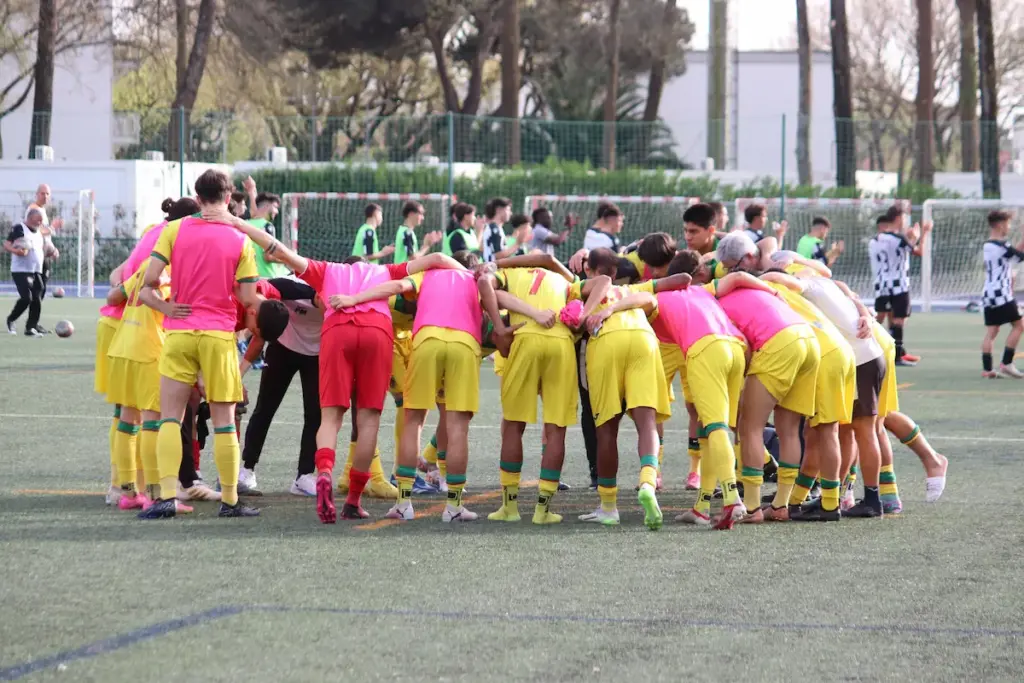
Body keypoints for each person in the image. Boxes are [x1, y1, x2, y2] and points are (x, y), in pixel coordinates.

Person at [138, 169, 289, 519]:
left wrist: (166, 306)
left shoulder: (173, 230)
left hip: (178, 332)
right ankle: (231, 500)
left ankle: (165, 497)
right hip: (218, 334)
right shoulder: (239, 239)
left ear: (197, 194)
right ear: (228, 196)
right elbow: (249, 297)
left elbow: (147, 288)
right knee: (223, 421)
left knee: (170, 420)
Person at [330, 250, 482, 523]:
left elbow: (397, 285)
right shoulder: (476, 280)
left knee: (412, 420)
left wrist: (354, 298)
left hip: (424, 341)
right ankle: (454, 506)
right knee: (457, 424)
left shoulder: (428, 274)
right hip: (464, 343)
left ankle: (403, 503)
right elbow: (501, 300)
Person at [570, 248, 688, 530]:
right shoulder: (636, 289)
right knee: (647, 422)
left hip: (606, 342)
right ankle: (648, 480)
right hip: (644, 341)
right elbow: (678, 280)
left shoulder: (581, 288)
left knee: (606, 428)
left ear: (590, 271)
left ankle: (608, 507)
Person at [711, 232, 820, 522]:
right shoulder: (761, 284)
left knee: (749, 427)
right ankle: (782, 505)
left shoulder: (718, 296)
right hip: (809, 339)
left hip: (779, 343)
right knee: (787, 428)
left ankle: (754, 507)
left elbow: (740, 345)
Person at [477, 253, 578, 524]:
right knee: (556, 429)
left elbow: (485, 283)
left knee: (513, 424)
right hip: (561, 344)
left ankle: (509, 508)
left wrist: (499, 328)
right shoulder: (564, 279)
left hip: (524, 338)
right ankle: (543, 511)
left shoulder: (510, 275)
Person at [652, 249, 747, 529]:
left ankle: (732, 497)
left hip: (706, 350)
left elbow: (638, 301)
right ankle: (702, 507)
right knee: (709, 429)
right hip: (736, 348)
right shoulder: (705, 291)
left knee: (714, 427)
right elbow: (738, 277)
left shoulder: (660, 296)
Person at [238, 277, 325, 497]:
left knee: (315, 415)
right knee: (264, 408)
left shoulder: (342, 302)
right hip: (283, 348)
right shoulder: (285, 287)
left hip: (316, 355)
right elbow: (260, 332)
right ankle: (247, 469)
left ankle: (304, 475)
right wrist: (237, 377)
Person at [870, 206, 931, 366]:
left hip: (882, 284)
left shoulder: (876, 240)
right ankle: (896, 356)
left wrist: (910, 239)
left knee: (883, 317)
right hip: (899, 285)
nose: (905, 222)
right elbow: (918, 252)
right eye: (904, 218)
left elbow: (896, 253)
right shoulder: (898, 238)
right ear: (898, 218)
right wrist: (922, 234)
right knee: (898, 320)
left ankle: (886, 351)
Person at [979, 210, 1024, 378]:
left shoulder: (989, 245)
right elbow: (1020, 256)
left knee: (992, 331)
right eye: (1007, 223)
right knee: (1020, 325)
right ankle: (1007, 363)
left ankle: (987, 369)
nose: (1009, 227)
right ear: (999, 225)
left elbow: (1013, 255)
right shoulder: (1001, 246)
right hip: (1001, 294)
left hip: (989, 293)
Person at [4, 208, 47, 337]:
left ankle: (31, 327)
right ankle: (11, 319)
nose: (40, 222)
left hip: (36, 271)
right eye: (37, 220)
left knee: (38, 296)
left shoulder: (39, 232)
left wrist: (52, 250)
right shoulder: (19, 228)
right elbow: (6, 244)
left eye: (41, 220)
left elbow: (40, 246)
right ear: (29, 218)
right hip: (21, 270)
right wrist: (16, 251)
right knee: (26, 298)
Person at [27, 183, 62, 303]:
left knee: (42, 288)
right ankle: (30, 319)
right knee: (38, 288)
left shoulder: (42, 210)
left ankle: (33, 319)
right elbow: (40, 231)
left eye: (47, 194)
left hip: (44, 254)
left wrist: (53, 249)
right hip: (35, 255)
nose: (45, 196)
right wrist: (53, 227)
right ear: (37, 195)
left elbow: (46, 237)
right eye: (42, 193)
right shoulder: (33, 209)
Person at [480, 197, 514, 262]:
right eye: (508, 210)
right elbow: (498, 255)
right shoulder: (494, 229)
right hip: (492, 270)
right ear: (498, 210)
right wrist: (518, 243)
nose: (511, 213)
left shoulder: (497, 228)